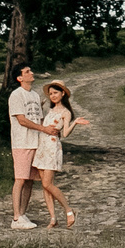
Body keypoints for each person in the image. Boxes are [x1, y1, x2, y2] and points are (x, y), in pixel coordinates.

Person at [33, 79, 90, 228]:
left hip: (52, 147)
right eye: (51, 93)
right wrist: (39, 108)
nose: (53, 96)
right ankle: (53, 218)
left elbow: (64, 134)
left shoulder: (65, 112)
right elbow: (41, 125)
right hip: (42, 147)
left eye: (55, 93)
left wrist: (75, 123)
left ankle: (68, 210)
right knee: (44, 186)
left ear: (63, 93)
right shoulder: (50, 110)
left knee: (48, 183)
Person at [7, 64, 57, 229]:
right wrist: (43, 129)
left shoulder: (35, 95)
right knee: (20, 179)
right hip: (22, 142)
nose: (32, 73)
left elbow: (39, 120)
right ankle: (15, 218)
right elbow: (22, 120)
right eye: (27, 72)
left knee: (29, 181)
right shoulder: (16, 95)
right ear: (19, 78)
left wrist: (47, 133)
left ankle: (22, 214)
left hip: (36, 143)